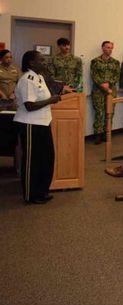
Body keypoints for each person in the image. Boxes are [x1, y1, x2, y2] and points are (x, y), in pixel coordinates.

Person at [14, 50, 61, 203]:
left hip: (43, 123)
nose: (44, 62)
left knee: (46, 159)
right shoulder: (27, 79)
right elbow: (29, 105)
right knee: (32, 162)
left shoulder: (39, 77)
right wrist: (51, 100)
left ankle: (42, 191)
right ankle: (31, 195)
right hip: (31, 124)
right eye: (41, 60)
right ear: (31, 63)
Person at [90, 41, 120, 144]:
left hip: (111, 91)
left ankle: (106, 133)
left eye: (111, 48)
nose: (110, 49)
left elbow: (116, 75)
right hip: (98, 91)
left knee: (110, 113)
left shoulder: (115, 62)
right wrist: (102, 84)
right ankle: (98, 134)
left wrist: (109, 84)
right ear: (102, 48)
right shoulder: (95, 61)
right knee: (99, 113)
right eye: (107, 47)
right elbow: (94, 75)